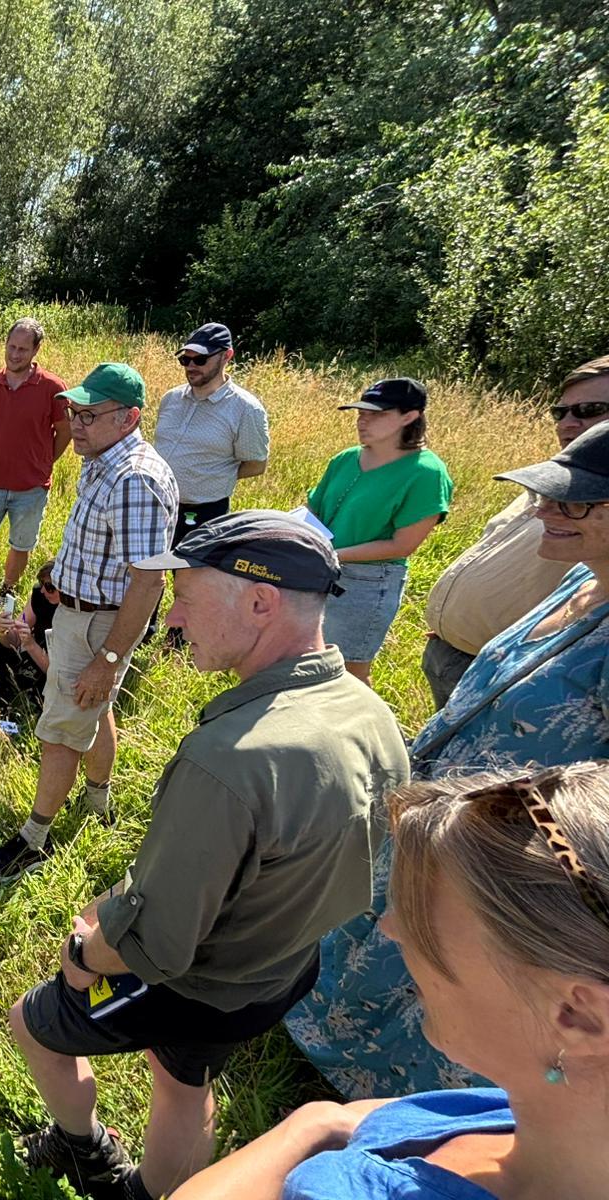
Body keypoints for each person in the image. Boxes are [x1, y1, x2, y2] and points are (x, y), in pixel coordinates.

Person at [9, 511, 408, 1200]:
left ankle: (87, 1151)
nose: (175, 619)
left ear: (260, 601)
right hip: (283, 968)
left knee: (33, 1025)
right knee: (183, 1078)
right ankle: (154, 1193)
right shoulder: (367, 709)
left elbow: (159, 947)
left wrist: (82, 959)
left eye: (188, 597)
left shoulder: (230, 761)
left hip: (201, 983)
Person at [288, 421, 609, 1099]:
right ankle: (315, 1049)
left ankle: (391, 1109)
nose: (546, 510)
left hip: (510, 860)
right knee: (381, 935)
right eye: (549, 495)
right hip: (440, 819)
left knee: (447, 969)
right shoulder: (580, 579)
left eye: (574, 502)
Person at [174, 761, 609, 1200]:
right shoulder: (544, 1108)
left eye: (424, 919)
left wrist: (307, 1129)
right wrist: (325, 1121)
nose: (391, 927)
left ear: (578, 1015)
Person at [0, 364, 177, 879]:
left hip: (98, 627)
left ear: (129, 418)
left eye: (89, 414)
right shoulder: (103, 460)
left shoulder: (134, 480)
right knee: (92, 710)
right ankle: (97, 801)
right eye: (73, 412)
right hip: (77, 616)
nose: (75, 424)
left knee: (59, 733)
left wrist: (107, 658)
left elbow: (147, 583)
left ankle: (33, 840)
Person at [421, 354, 609, 708]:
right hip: (460, 654)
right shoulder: (544, 484)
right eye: (561, 412)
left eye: (590, 409)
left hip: (522, 679)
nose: (569, 422)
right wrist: (455, 619)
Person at [306, 378, 453, 685]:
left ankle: (365, 731)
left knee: (348, 675)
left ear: (409, 417)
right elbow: (314, 509)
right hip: (318, 569)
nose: (363, 420)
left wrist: (333, 553)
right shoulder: (346, 458)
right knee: (308, 659)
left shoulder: (426, 472)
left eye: (377, 414)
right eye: (361, 413)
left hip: (367, 582)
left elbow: (402, 545)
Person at [0, 317, 70, 598]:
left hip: (32, 487)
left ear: (35, 351)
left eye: (22, 349)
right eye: (11, 346)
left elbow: (64, 432)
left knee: (21, 544)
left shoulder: (53, 387)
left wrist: (44, 462)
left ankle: (6, 590)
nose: (14, 354)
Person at [154, 323, 269, 547]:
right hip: (155, 504)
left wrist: (211, 477)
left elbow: (256, 465)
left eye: (200, 360)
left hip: (204, 514)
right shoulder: (171, 398)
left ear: (226, 356)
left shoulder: (246, 409)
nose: (191, 366)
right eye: (185, 360)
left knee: (191, 580)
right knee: (145, 573)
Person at [0, 562, 59, 709]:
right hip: (29, 658)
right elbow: (13, 641)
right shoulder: (40, 596)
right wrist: (4, 631)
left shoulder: (75, 612)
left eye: (50, 587)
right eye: (42, 584)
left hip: (51, 671)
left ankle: (18, 702)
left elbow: (57, 672)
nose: (44, 590)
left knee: (50, 688)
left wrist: (31, 645)